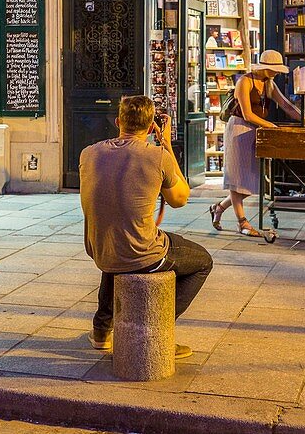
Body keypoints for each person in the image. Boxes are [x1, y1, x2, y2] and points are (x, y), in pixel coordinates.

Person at [80, 95, 213, 359]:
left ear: (118, 121)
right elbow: (179, 199)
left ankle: (101, 330)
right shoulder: (156, 156)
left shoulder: (89, 153)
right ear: (152, 126)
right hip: (141, 254)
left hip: (99, 250)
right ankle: (154, 330)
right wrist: (166, 145)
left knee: (120, 244)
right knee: (202, 261)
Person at [210, 49, 305, 237]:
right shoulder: (244, 81)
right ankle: (242, 223)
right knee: (238, 179)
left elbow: (286, 105)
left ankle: (219, 208)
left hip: (256, 130)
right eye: (274, 69)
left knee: (251, 181)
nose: (277, 73)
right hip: (239, 129)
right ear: (264, 67)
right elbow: (246, 114)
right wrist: (270, 125)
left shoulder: (268, 83)